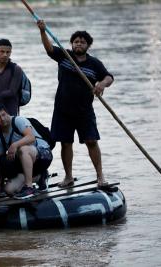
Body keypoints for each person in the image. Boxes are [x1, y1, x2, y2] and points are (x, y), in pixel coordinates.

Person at [37, 20, 114, 188]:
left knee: (92, 141)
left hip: (84, 111)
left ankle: (100, 176)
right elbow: (49, 48)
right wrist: (43, 31)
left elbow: (109, 77)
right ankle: (68, 177)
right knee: (65, 142)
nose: (79, 44)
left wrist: (101, 84)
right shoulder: (65, 55)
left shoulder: (94, 64)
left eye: (82, 42)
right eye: (76, 42)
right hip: (63, 110)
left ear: (88, 46)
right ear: (72, 44)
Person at [0, 103, 53, 199]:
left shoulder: (18, 120)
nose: (2, 119)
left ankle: (29, 188)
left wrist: (15, 145)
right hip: (26, 165)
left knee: (23, 149)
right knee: (9, 190)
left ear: (7, 113)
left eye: (3, 115)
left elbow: (31, 138)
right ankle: (40, 177)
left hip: (43, 155)